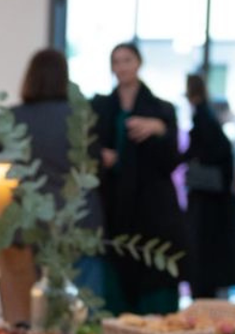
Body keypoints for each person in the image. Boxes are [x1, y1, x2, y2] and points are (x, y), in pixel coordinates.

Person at [0, 49, 107, 296]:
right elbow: (96, 168)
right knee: (86, 305)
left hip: (40, 221)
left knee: (48, 301)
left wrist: (13, 153)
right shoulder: (80, 116)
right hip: (81, 219)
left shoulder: (17, 117)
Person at [90, 43, 185, 314]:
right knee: (116, 274)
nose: (121, 67)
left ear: (138, 63)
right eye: (116, 61)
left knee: (154, 275)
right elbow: (87, 148)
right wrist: (102, 156)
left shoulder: (161, 109)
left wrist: (159, 130)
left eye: (127, 60)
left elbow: (172, 160)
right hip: (114, 207)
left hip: (152, 209)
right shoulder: (100, 107)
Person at [182, 74, 235, 299]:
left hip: (209, 206)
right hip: (214, 202)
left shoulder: (203, 119)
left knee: (205, 264)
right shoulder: (207, 118)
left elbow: (203, 155)